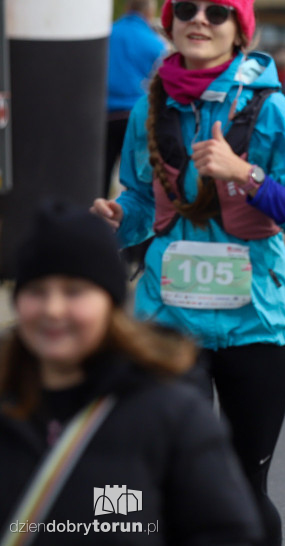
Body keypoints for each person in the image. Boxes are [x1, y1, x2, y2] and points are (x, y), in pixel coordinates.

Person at [90, 0, 285, 546]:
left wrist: (245, 174)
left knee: (243, 492)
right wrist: (118, 220)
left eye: (216, 12)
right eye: (187, 10)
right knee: (173, 485)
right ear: (169, 21)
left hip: (257, 328)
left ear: (239, 29)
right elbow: (144, 207)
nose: (199, 20)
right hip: (168, 324)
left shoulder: (278, 113)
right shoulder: (151, 109)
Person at [0, 202, 263, 545]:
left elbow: (226, 533)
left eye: (74, 292)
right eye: (37, 292)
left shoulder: (171, 413)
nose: (53, 309)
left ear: (111, 304)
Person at [104, 0, 168, 196]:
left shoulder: (107, 34)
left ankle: (100, 219)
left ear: (127, 8)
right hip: (137, 116)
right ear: (150, 13)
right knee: (137, 181)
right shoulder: (155, 44)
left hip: (104, 115)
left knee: (102, 176)